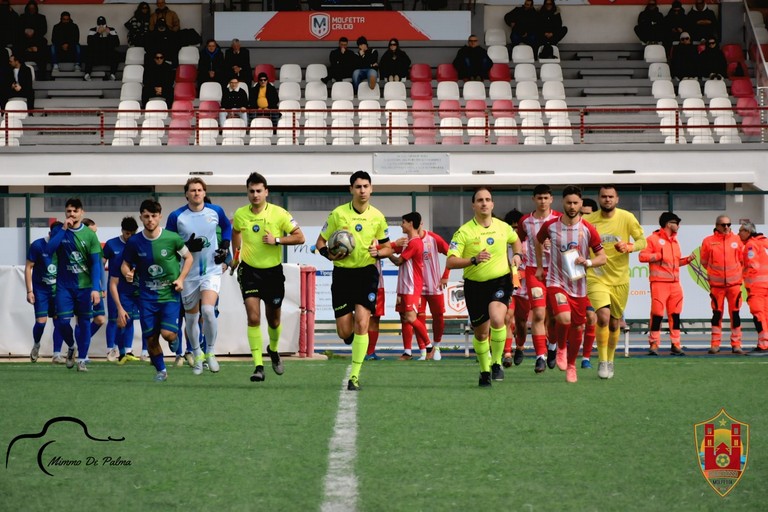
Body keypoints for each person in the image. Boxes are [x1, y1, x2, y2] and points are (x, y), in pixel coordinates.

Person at [315, 170, 392, 391]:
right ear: (351, 189)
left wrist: (379, 251)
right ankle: (352, 341)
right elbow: (320, 241)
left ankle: (355, 376)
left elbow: (387, 247)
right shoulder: (338, 214)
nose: (362, 190)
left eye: (366, 186)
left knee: (362, 322)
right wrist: (327, 254)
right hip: (342, 275)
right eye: (358, 187)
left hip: (367, 273)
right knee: (344, 331)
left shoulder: (377, 216)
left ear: (371, 189)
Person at [229, 172, 304, 382]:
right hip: (249, 272)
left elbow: (300, 237)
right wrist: (235, 256)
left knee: (274, 320)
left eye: (259, 191)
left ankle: (273, 349)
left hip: (272, 273)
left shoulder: (279, 214)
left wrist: (277, 239)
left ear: (266, 192)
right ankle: (258, 366)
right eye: (251, 191)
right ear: (247, 193)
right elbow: (236, 232)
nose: (255, 195)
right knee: (253, 318)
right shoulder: (241, 214)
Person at [447, 187, 523, 387]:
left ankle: (497, 362)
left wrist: (517, 256)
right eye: (480, 200)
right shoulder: (464, 231)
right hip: (474, 286)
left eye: (488, 199)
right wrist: (473, 259)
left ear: (492, 204)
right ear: (473, 205)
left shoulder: (503, 227)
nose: (484, 203)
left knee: (498, 318)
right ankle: (484, 370)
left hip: (500, 280)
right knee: (481, 334)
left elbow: (516, 242)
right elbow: (451, 262)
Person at [536, 186, 606, 383]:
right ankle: (560, 347)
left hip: (578, 286)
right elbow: (537, 241)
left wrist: (588, 262)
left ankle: (572, 365)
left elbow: (602, 257)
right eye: (569, 202)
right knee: (564, 318)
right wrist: (541, 266)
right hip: (556, 281)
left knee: (578, 327)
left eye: (576, 203)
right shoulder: (550, 226)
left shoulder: (588, 229)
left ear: (581, 204)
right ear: (563, 203)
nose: (572, 206)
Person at [121, 199, 193, 382]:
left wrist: (181, 278)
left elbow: (189, 257)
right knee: (151, 339)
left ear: (160, 217)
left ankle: (174, 340)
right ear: (141, 218)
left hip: (169, 295)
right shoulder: (134, 242)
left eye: (154, 216)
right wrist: (128, 273)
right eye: (146, 216)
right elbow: (125, 264)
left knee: (167, 334)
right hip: (146, 298)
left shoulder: (172, 238)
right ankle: (161, 370)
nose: (150, 220)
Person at [166, 178, 232, 375]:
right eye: (192, 190)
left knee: (209, 311)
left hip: (211, 270)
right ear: (186, 194)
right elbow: (169, 244)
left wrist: (225, 246)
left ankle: (210, 352)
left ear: (204, 193)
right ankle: (197, 355)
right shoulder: (176, 216)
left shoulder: (216, 211)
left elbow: (227, 227)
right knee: (191, 319)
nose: (196, 193)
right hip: (187, 274)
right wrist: (186, 246)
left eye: (200, 190)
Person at [583, 185, 646, 380]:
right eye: (604, 196)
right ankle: (602, 361)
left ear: (617, 199)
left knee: (614, 323)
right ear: (599, 199)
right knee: (602, 316)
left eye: (611, 196)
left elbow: (642, 241)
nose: (607, 200)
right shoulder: (588, 221)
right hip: (596, 275)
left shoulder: (626, 218)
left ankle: (610, 360)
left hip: (619, 279)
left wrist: (629, 246)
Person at [46, 199, 104, 373]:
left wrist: (96, 288)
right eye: (69, 211)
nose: (71, 214)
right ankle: (71, 346)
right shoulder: (59, 230)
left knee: (85, 323)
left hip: (85, 287)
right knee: (62, 322)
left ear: (82, 213)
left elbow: (95, 264)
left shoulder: (89, 235)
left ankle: (82, 360)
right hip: (64, 286)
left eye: (75, 211)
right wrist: (63, 229)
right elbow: (49, 250)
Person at [516, 185, 561, 373]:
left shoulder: (559, 219)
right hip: (534, 271)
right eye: (539, 198)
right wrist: (516, 258)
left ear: (551, 199)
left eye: (546, 198)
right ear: (533, 199)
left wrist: (554, 243)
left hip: (557, 272)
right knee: (539, 314)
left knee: (555, 317)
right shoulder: (526, 221)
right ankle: (540, 356)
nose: (543, 201)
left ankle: (552, 348)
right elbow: (516, 240)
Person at [638, 212, 694, 356]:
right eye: (677, 223)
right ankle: (654, 344)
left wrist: (687, 260)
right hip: (659, 284)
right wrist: (657, 256)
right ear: (669, 224)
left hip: (675, 284)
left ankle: (675, 344)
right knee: (657, 314)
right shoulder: (652, 239)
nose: (678, 226)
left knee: (675, 315)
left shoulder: (675, 241)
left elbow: (675, 262)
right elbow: (642, 256)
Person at [397, 222, 450, 361]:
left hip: (434, 285)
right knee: (417, 318)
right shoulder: (407, 241)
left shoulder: (433, 238)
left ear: (420, 224)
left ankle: (436, 346)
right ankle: (423, 351)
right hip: (416, 287)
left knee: (438, 316)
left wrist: (445, 275)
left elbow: (451, 254)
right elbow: (393, 250)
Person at [389, 212, 433, 361]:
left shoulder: (414, 242)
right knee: (404, 318)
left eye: (403, 222)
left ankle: (429, 346)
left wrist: (387, 252)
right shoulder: (408, 241)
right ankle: (407, 352)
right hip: (403, 286)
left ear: (411, 224)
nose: (401, 225)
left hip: (412, 287)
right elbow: (393, 248)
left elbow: (398, 261)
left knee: (411, 317)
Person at [700, 214, 744, 354]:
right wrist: (716, 275)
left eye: (729, 225)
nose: (726, 227)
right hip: (717, 286)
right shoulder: (708, 241)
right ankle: (715, 344)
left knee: (735, 315)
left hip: (734, 285)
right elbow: (704, 262)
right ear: (717, 226)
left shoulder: (738, 240)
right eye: (723, 225)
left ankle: (736, 344)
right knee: (716, 315)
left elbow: (743, 261)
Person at [105, 216, 143, 365]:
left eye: (133, 233)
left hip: (131, 289)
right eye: (127, 234)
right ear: (122, 231)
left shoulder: (137, 245)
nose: (130, 237)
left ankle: (128, 350)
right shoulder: (111, 244)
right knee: (114, 319)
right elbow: (101, 264)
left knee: (130, 319)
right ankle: (111, 350)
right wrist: (99, 285)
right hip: (115, 288)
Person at [25, 221, 64, 363]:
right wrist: (29, 291)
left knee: (59, 322)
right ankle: (36, 344)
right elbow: (28, 267)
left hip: (59, 290)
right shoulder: (37, 245)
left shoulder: (63, 245)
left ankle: (57, 354)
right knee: (41, 323)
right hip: (41, 290)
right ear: (49, 234)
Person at [502, 209, 529, 368]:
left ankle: (519, 347)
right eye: (511, 227)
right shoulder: (503, 243)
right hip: (508, 286)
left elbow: (533, 266)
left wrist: (521, 274)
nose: (514, 230)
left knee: (522, 322)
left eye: (516, 227)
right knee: (507, 317)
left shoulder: (528, 244)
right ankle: (507, 353)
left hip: (524, 287)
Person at [737, 222, 768, 353]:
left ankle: (763, 344)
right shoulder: (765, 242)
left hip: (757, 287)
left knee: (758, 314)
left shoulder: (751, 245)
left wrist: (745, 279)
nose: (739, 234)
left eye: (740, 231)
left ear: (747, 232)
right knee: (765, 315)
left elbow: (752, 265)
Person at [579, 197, 598, 369]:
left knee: (592, 317)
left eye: (588, 214)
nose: (584, 218)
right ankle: (556, 350)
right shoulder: (569, 231)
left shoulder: (595, 235)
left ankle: (586, 358)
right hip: (571, 283)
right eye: (581, 214)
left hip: (593, 285)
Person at [82, 218, 107, 347]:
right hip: (84, 286)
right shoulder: (81, 243)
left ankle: (81, 344)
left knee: (100, 319)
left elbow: (100, 265)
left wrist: (103, 286)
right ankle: (81, 351)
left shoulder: (95, 243)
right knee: (83, 320)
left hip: (96, 287)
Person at [84, 16, 119, 81]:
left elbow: (117, 43)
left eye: (103, 25)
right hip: (97, 55)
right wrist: (98, 33)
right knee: (88, 53)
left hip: (107, 55)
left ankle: (112, 74)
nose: (101, 26)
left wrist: (109, 34)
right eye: (100, 25)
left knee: (115, 54)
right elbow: (90, 43)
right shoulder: (92, 30)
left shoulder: (111, 29)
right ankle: (87, 74)